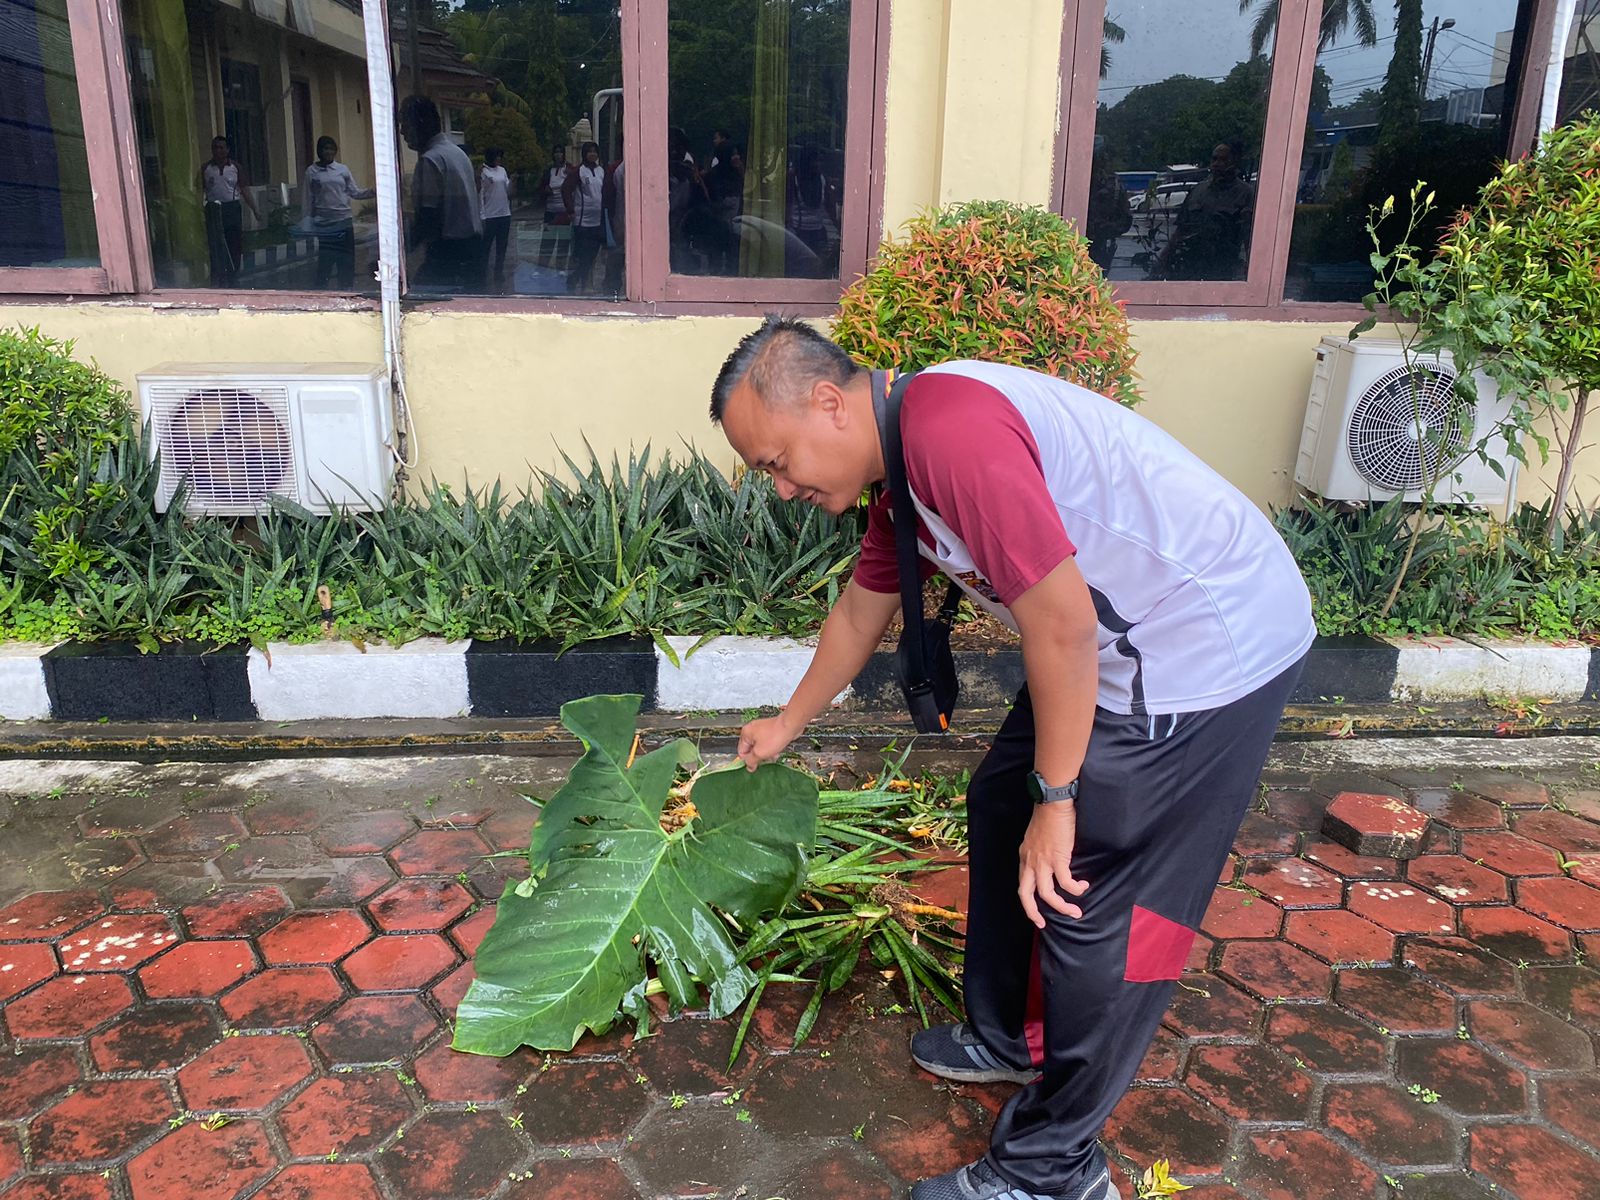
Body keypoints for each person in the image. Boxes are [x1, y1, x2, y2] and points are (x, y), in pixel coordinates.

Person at [712, 319, 1314, 1200]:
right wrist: (788, 723)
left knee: (1088, 889)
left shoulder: (949, 432)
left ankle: (1053, 1168)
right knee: (1002, 801)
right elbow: (861, 609)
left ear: (829, 403)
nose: (781, 486)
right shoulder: (902, 472)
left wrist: (1061, 801)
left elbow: (1061, 624)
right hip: (1115, 645)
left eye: (776, 461)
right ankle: (1012, 1036)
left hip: (1202, 648)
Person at [398, 95, 482, 290]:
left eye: (406, 124)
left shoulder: (431, 160)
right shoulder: (456, 153)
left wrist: (397, 253)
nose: (402, 132)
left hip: (449, 251)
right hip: (470, 248)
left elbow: (428, 218)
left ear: (421, 124)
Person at [1155, 141, 1254, 280]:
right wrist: (1162, 261)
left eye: (1223, 160)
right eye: (1214, 159)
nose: (1217, 164)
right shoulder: (1198, 191)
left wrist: (1251, 271)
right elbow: (1180, 232)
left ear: (1234, 162)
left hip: (1223, 269)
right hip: (1190, 267)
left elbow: (1249, 238)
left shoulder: (1245, 193)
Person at [302, 135, 375, 291]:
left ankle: (346, 290)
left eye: (331, 149)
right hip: (325, 222)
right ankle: (321, 292)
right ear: (319, 151)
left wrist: (372, 192)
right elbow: (308, 198)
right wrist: (308, 221)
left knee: (346, 259)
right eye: (325, 149)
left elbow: (354, 192)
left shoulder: (342, 170)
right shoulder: (312, 172)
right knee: (326, 260)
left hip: (344, 220)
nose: (328, 152)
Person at [199, 136, 260, 287]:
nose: (218, 151)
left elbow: (244, 190)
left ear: (227, 150)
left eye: (221, 148)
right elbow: (199, 191)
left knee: (234, 243)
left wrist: (255, 210)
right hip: (213, 210)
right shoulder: (206, 169)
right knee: (215, 244)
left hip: (232, 209)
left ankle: (233, 276)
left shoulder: (235, 168)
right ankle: (217, 277)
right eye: (215, 148)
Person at [479, 147, 513, 285]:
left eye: (500, 156)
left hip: (504, 213)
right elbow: (481, 194)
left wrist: (514, 182)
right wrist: (482, 215)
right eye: (496, 156)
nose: (498, 159)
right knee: (486, 247)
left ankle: (498, 272)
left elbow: (508, 189)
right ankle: (482, 272)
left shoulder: (502, 170)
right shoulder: (484, 172)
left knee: (502, 246)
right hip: (490, 215)